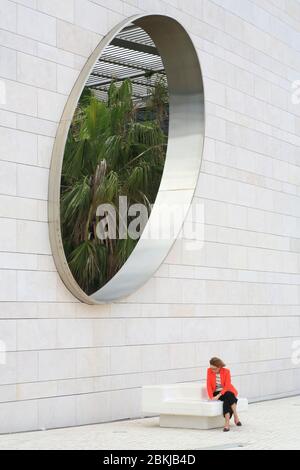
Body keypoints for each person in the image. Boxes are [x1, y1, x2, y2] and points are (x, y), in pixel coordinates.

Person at [206, 357, 242, 432]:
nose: (212, 370)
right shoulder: (209, 371)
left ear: (219, 367)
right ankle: (236, 417)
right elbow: (208, 384)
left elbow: (227, 385)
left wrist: (219, 395)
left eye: (214, 369)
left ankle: (227, 424)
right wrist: (211, 397)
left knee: (227, 399)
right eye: (211, 368)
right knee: (230, 396)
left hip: (226, 390)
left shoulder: (226, 371)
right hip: (216, 392)